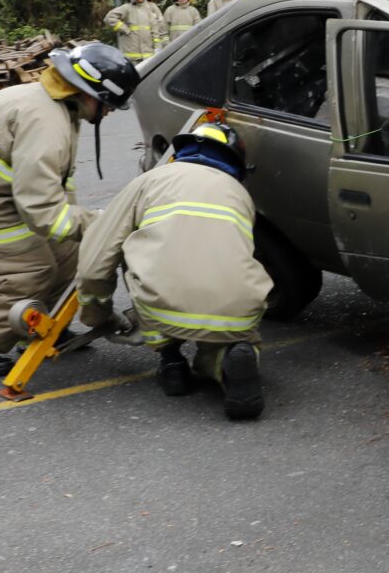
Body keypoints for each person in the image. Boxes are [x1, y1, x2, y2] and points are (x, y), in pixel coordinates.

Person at [0, 43, 140, 376]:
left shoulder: (56, 104)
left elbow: (55, 185)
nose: (110, 112)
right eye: (109, 103)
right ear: (90, 93)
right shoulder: (47, 122)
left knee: (69, 256)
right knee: (28, 274)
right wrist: (99, 223)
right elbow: (42, 211)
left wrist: (80, 230)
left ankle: (40, 326)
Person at [75, 122, 273, 420]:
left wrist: (97, 314)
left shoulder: (150, 181)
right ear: (233, 160)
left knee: (140, 252)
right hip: (239, 310)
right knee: (222, 298)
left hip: (162, 307)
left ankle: (170, 361)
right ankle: (223, 363)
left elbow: (94, 263)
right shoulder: (240, 195)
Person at [104, 0, 168, 61]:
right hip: (131, 54)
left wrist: (158, 47)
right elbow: (109, 18)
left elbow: (157, 29)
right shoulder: (127, 8)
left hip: (148, 54)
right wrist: (125, 29)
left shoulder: (151, 8)